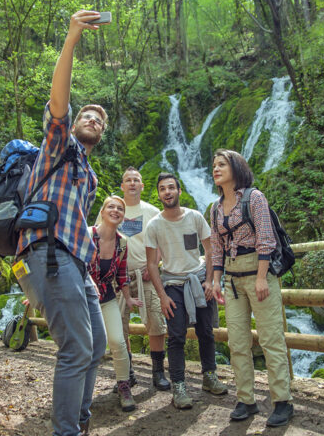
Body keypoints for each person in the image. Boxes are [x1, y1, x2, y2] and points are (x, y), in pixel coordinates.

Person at [15, 10, 109, 436]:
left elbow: (82, 227)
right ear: (75, 125)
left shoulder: (88, 176)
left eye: (101, 121)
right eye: (89, 116)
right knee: (75, 349)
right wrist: (71, 39)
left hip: (77, 262)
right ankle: (67, 431)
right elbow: (59, 101)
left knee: (97, 346)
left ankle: (80, 421)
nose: (94, 120)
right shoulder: (57, 147)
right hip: (48, 255)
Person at [210, 149, 293, 427]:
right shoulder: (215, 208)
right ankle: (246, 399)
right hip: (232, 280)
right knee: (237, 342)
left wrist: (260, 277)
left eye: (222, 164)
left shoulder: (254, 198)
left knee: (270, 338)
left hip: (259, 276)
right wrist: (216, 280)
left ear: (236, 167)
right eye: (214, 165)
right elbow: (217, 249)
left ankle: (282, 401)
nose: (216, 168)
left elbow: (266, 239)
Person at [145, 172, 228, 410]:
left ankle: (209, 376)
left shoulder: (194, 217)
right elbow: (152, 264)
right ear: (159, 194)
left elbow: (210, 250)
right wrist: (162, 296)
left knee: (206, 332)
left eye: (171, 187)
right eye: (163, 188)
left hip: (199, 280)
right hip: (172, 285)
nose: (168, 192)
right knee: (177, 336)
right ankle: (179, 387)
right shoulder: (155, 225)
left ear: (179, 191)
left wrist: (211, 281)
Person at [88, 195, 143, 412]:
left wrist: (128, 298)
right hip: (83, 298)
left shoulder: (122, 242)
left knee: (118, 342)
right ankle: (80, 391)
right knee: (87, 345)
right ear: (102, 211)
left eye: (120, 208)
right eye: (111, 206)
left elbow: (121, 275)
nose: (116, 210)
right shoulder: (86, 235)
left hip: (107, 296)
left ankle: (124, 386)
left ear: (123, 216)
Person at [119, 167, 170, 390]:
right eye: (128, 180)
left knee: (156, 323)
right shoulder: (113, 209)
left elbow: (163, 239)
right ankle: (127, 372)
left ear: (142, 186)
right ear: (122, 186)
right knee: (120, 327)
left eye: (136, 180)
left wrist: (155, 263)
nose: (132, 183)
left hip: (146, 275)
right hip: (119, 279)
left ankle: (158, 372)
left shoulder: (151, 211)